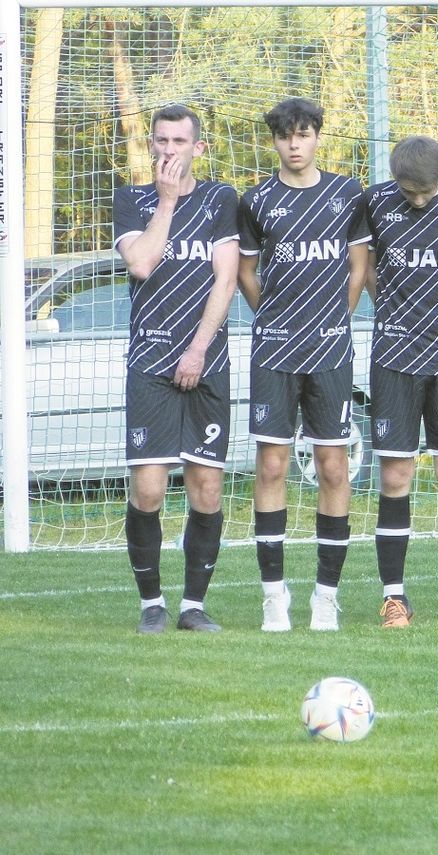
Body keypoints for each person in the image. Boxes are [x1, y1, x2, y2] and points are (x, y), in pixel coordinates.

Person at [237, 97, 371, 631]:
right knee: (271, 466)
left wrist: (339, 315)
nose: (294, 145)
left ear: (318, 137)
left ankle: (325, 596)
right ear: (274, 142)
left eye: (303, 134)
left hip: (331, 352)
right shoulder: (256, 201)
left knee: (333, 468)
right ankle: (274, 597)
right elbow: (248, 272)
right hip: (274, 351)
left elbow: (359, 264)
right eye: (285, 137)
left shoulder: (346, 194)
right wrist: (270, 317)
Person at [113, 104, 239, 633]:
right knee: (148, 490)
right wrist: (164, 204)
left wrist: (199, 349)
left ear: (197, 148)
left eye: (178, 142)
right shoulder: (132, 199)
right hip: (150, 362)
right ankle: (151, 605)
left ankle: (192, 606)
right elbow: (141, 263)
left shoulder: (220, 199)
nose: (168, 150)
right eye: (161, 141)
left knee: (206, 487)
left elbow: (225, 280)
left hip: (205, 361)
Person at [363, 136, 438, 628]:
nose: (417, 200)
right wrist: (394, 304)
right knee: (395, 478)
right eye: (408, 192)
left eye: (424, 192)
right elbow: (365, 266)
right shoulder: (374, 202)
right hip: (392, 358)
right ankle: (394, 597)